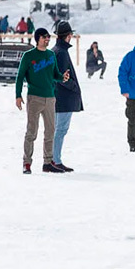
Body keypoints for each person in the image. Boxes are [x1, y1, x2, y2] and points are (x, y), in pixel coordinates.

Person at [14, 27, 61, 175]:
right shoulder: (28, 56)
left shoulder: (51, 55)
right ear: (38, 39)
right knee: (31, 132)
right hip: (34, 98)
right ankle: (27, 163)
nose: (47, 39)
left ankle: (48, 162)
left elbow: (55, 74)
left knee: (50, 131)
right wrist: (18, 95)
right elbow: (20, 76)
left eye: (48, 37)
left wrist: (62, 77)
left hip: (50, 98)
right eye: (44, 37)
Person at [51, 24, 81, 173]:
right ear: (68, 36)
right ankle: (55, 160)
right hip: (64, 98)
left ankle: (52, 159)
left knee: (56, 129)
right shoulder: (61, 52)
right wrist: (74, 86)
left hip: (57, 97)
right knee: (60, 130)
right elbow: (62, 77)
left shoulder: (55, 50)